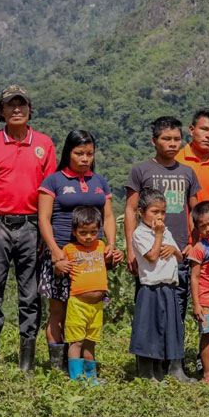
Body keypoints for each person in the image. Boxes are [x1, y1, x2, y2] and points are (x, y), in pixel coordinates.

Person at [0, 86, 56, 369]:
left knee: (30, 295)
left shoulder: (44, 143)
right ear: (1, 111)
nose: (16, 109)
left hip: (31, 226)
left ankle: (26, 362)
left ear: (30, 110)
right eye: (10, 105)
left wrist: (47, 232)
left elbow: (49, 192)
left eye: (22, 104)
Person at [37, 130, 122, 372]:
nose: (85, 158)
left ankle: (79, 365)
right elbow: (43, 219)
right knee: (58, 311)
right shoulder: (53, 181)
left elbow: (107, 216)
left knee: (85, 312)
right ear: (68, 153)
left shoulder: (99, 182)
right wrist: (55, 252)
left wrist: (111, 245)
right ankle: (58, 367)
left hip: (92, 259)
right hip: (63, 258)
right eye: (79, 153)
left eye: (89, 154)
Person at [124, 116, 200, 381]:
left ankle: (174, 366)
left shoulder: (188, 172)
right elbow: (131, 209)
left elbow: (194, 211)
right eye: (166, 138)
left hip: (177, 252)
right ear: (154, 140)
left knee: (176, 311)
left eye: (177, 139)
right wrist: (130, 250)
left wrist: (191, 242)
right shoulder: (141, 170)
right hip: (149, 256)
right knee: (149, 312)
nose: (172, 143)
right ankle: (150, 367)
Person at [129, 188, 186, 381]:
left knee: (166, 328)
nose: (160, 216)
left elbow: (179, 257)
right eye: (155, 212)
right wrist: (159, 235)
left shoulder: (166, 232)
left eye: (163, 212)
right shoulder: (140, 234)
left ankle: (162, 371)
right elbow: (152, 257)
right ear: (141, 213)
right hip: (150, 288)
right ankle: (146, 373)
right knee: (148, 329)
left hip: (168, 287)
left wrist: (172, 248)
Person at [60, 206, 113, 384]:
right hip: (78, 304)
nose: (89, 236)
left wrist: (116, 255)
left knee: (91, 341)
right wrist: (57, 267)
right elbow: (59, 271)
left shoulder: (101, 245)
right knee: (76, 342)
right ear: (74, 232)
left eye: (93, 232)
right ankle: (76, 378)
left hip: (97, 306)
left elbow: (109, 263)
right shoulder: (69, 249)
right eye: (83, 232)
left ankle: (91, 377)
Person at [188, 200, 209, 384]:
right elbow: (194, 277)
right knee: (207, 335)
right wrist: (196, 303)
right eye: (203, 226)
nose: (208, 229)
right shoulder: (199, 248)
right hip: (206, 301)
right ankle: (208, 373)